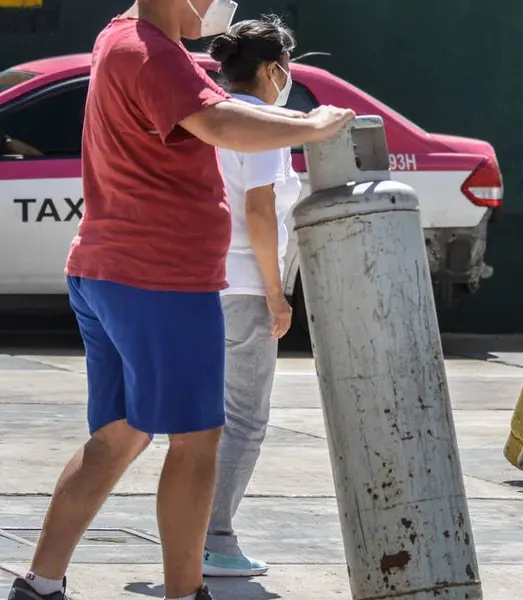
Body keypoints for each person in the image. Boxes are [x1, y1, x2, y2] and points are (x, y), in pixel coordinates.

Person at [4, 1, 354, 599]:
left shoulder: (121, 37)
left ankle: (39, 585)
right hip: (160, 278)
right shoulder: (149, 52)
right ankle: (186, 593)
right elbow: (221, 125)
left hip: (107, 270)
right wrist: (311, 125)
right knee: (196, 442)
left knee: (118, 436)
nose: (220, 4)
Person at [199, 16, 302, 579]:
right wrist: (276, 293)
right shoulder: (262, 122)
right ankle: (214, 537)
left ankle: (192, 530)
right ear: (271, 69)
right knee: (245, 419)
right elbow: (260, 211)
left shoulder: (212, 117)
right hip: (242, 286)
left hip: (201, 282)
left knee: (205, 418)